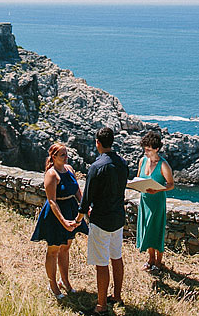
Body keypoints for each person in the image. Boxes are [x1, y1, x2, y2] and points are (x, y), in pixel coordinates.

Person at [76, 127, 128, 314]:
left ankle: (101, 306)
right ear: (112, 142)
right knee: (116, 256)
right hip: (117, 218)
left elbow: (87, 196)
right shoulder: (122, 163)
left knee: (101, 262)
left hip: (101, 219)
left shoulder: (96, 167)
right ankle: (117, 295)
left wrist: (81, 216)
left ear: (98, 143)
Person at [30, 142, 88, 299]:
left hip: (70, 210)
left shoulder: (69, 169)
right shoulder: (51, 174)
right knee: (53, 249)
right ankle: (53, 285)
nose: (66, 157)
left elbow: (76, 189)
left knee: (66, 247)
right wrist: (63, 221)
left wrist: (83, 208)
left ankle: (65, 281)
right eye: (62, 154)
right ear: (54, 157)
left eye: (66, 153)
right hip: (56, 215)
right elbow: (52, 201)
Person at [135, 130, 174, 272]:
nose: (145, 152)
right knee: (147, 229)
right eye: (144, 149)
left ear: (156, 149)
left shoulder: (163, 165)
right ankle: (150, 258)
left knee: (156, 230)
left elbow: (171, 185)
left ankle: (158, 262)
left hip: (157, 202)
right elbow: (139, 177)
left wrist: (158, 190)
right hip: (145, 201)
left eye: (148, 150)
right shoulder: (142, 161)